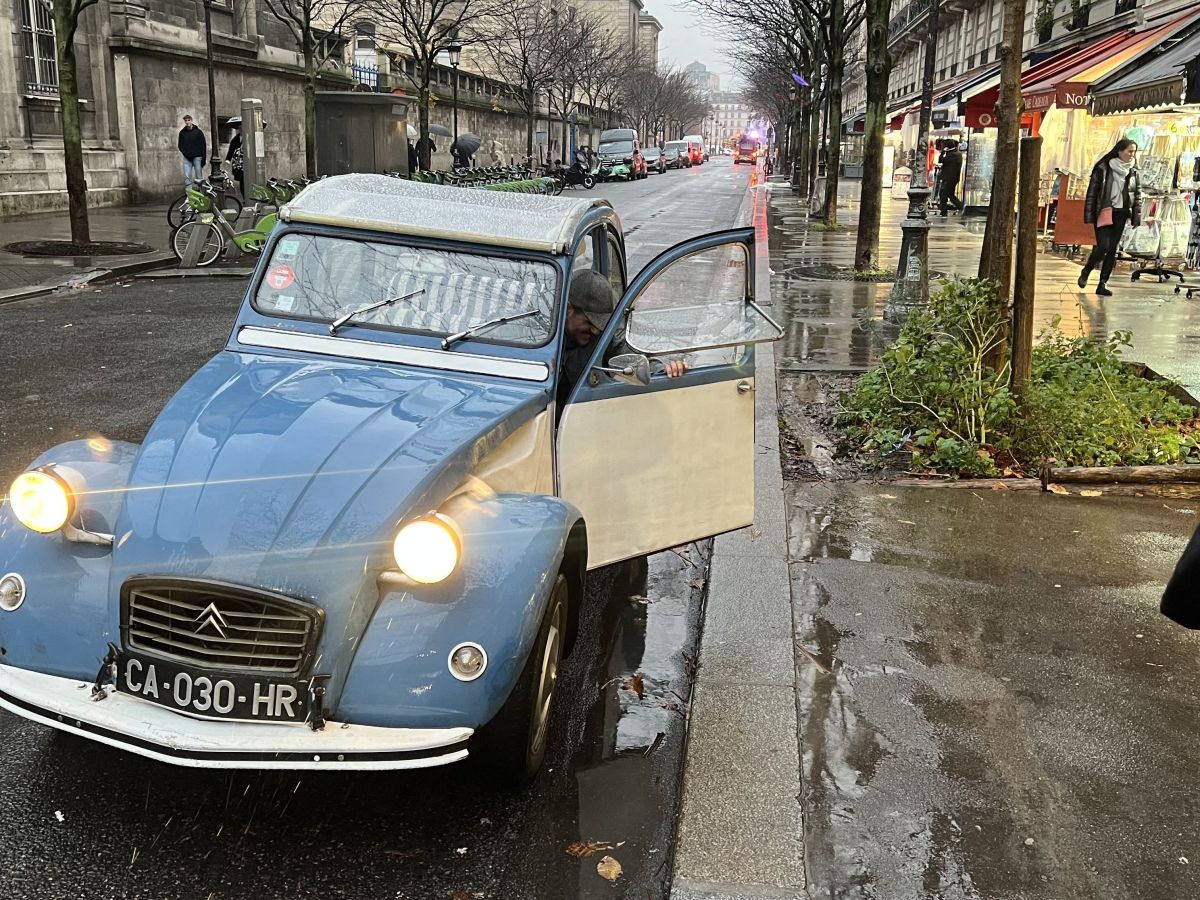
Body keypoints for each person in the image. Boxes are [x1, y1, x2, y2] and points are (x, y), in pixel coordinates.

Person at [558, 271, 686, 406]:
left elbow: (626, 353)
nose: (596, 331)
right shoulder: (539, 336)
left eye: (600, 324)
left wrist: (662, 368)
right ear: (568, 309)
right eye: (589, 322)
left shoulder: (605, 338)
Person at [1080, 138, 1141, 297]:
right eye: (1129, 151)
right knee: (1103, 247)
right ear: (1119, 151)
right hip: (1104, 211)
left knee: (1112, 249)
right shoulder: (1103, 168)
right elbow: (1092, 192)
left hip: (1121, 213)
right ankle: (1087, 270)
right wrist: (1089, 214)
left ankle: (1102, 283)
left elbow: (1137, 194)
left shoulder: (1133, 170)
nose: (1132, 155)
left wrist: (1136, 216)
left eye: (1134, 152)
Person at [178, 114, 206, 188]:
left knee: (199, 177)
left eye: (188, 120)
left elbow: (203, 145)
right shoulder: (182, 133)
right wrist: (186, 154)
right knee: (187, 177)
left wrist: (203, 159)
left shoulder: (198, 132)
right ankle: (189, 196)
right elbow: (180, 145)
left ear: (191, 120)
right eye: (186, 120)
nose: (187, 122)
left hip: (197, 157)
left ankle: (201, 195)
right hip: (187, 158)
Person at [938, 143, 964, 215]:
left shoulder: (952, 155)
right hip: (953, 178)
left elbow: (941, 160)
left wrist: (942, 154)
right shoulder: (957, 154)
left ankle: (944, 210)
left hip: (948, 178)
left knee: (943, 194)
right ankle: (960, 207)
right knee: (950, 194)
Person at [225, 118, 245, 198]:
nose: (241, 129)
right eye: (240, 128)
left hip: (247, 164)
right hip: (239, 164)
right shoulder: (235, 139)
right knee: (242, 182)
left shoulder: (250, 138)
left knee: (246, 181)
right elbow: (231, 149)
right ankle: (244, 197)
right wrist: (228, 159)